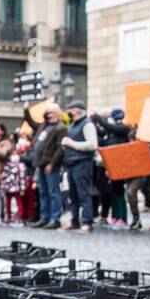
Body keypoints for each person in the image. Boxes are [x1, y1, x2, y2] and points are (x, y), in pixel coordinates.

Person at [60, 100, 98, 234]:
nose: (67, 113)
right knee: (73, 194)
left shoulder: (87, 124)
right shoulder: (73, 124)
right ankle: (74, 221)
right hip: (71, 162)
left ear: (76, 110)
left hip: (82, 163)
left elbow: (93, 145)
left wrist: (72, 143)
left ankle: (87, 223)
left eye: (69, 109)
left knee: (83, 194)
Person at [29, 104, 66, 229]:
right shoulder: (44, 126)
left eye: (50, 111)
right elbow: (31, 123)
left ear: (56, 112)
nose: (47, 114)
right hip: (41, 163)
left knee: (53, 192)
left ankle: (55, 218)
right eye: (47, 112)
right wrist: (26, 111)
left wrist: (52, 163)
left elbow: (60, 148)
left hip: (50, 165)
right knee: (43, 192)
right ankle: (44, 217)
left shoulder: (60, 128)